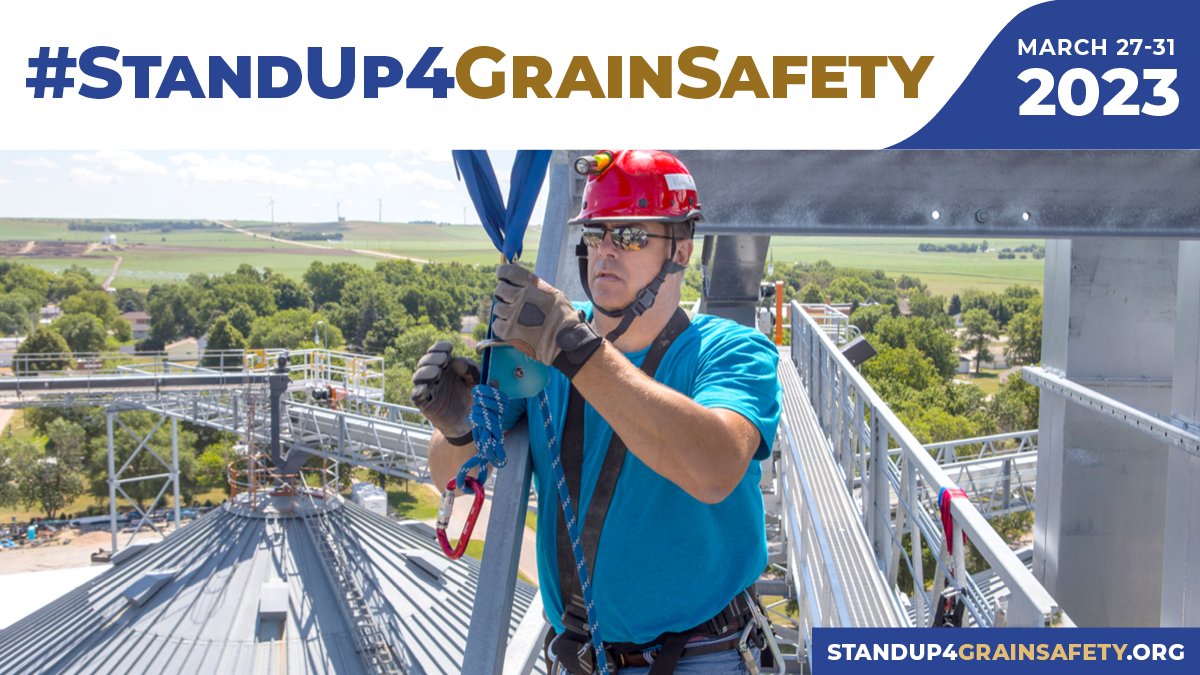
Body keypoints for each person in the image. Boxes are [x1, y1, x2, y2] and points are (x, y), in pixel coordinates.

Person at [413, 150, 782, 673]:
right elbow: (448, 473)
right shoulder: (544, 348)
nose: (606, 251)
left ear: (679, 249)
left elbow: (715, 467)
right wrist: (455, 426)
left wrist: (574, 347)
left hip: (703, 655)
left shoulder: (730, 352)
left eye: (630, 235)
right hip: (582, 657)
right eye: (595, 233)